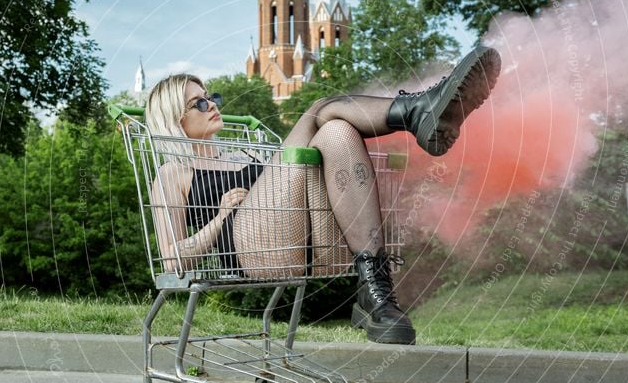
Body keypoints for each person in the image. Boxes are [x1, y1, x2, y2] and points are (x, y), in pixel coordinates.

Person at [146, 46, 501, 345]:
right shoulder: (172, 174)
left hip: (320, 246)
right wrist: (221, 217)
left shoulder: (247, 155)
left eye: (212, 97)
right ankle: (416, 110)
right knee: (320, 109)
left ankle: (375, 292)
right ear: (174, 119)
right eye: (200, 104)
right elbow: (172, 261)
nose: (212, 105)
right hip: (255, 249)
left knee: (335, 132)